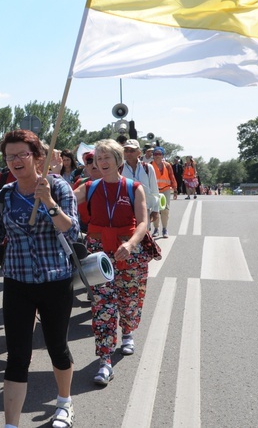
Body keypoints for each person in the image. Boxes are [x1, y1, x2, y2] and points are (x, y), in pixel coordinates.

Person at [0, 129, 80, 428]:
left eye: (21, 154)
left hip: (55, 280)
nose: (14, 161)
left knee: (57, 347)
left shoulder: (58, 187)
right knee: (17, 354)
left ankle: (64, 402)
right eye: (9, 156)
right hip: (17, 282)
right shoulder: (5, 195)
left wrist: (49, 202)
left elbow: (72, 231)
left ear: (37, 157)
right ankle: (10, 424)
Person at [73, 139, 153, 387]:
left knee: (129, 301)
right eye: (98, 158)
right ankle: (105, 360)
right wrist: (46, 190)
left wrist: (129, 245)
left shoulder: (134, 187)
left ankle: (127, 331)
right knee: (103, 306)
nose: (101, 162)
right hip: (99, 254)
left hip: (128, 251)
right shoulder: (89, 187)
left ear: (118, 161)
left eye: (106, 157)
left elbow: (142, 223)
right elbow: (63, 200)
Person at [121, 139, 160, 230]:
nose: (128, 153)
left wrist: (155, 210)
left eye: (132, 151)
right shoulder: (119, 168)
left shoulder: (148, 168)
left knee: (144, 239)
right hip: (125, 210)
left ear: (139, 152)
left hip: (144, 210)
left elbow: (155, 190)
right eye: (126, 150)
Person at [150, 147, 177, 238]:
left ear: (162, 155)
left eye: (159, 154)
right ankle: (156, 229)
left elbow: (172, 177)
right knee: (155, 209)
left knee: (165, 210)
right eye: (155, 154)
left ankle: (165, 229)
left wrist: (175, 189)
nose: (157, 156)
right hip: (154, 190)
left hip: (165, 189)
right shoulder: (150, 165)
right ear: (153, 155)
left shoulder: (167, 165)